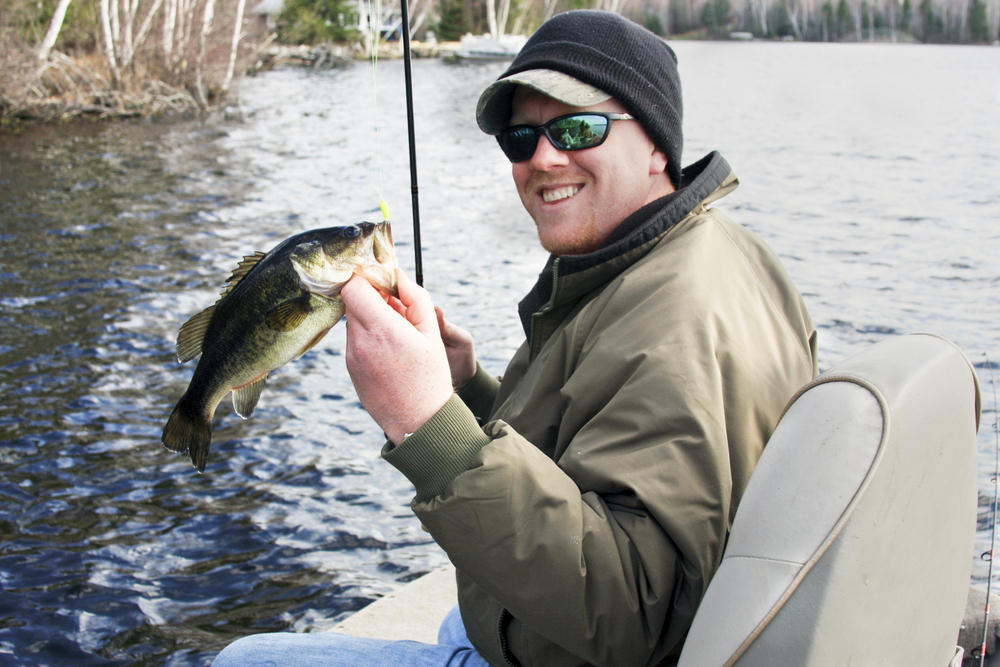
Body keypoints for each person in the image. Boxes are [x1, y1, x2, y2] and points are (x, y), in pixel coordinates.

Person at [213, 9, 818, 667]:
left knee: (245, 659)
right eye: (521, 138)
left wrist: (427, 425)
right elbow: (595, 458)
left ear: (654, 143)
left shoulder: (680, 321)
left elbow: (635, 613)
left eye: (578, 127)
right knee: (456, 618)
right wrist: (465, 392)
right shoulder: (690, 257)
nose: (544, 158)